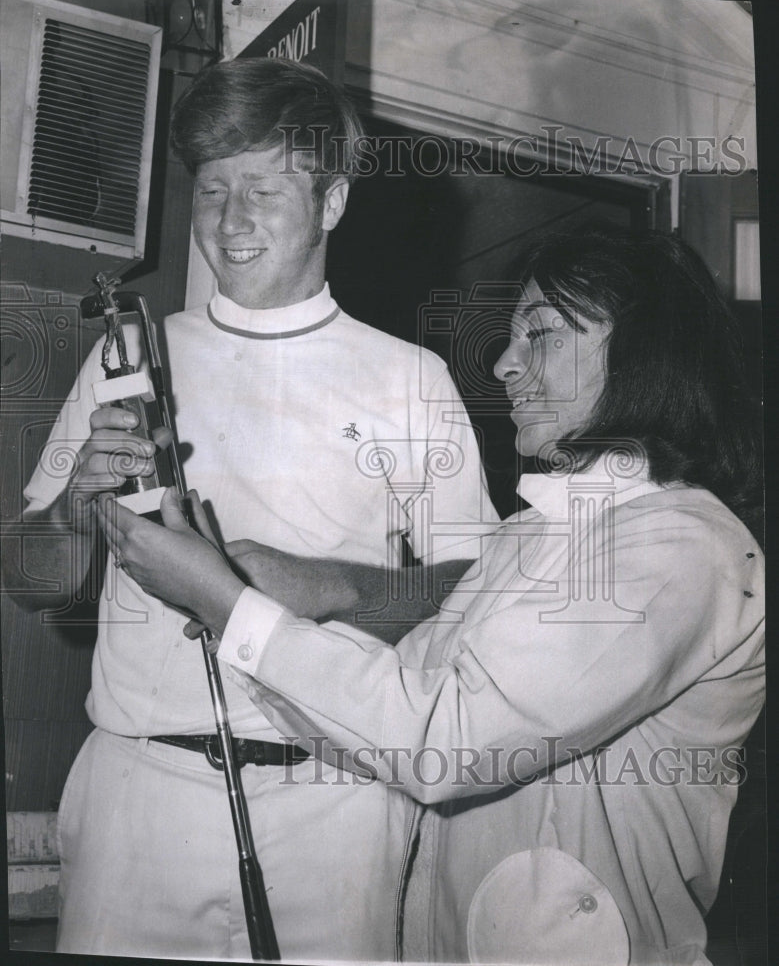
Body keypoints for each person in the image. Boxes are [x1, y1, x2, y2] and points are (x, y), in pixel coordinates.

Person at [102, 226, 764, 965]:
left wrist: (230, 605)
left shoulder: (681, 546)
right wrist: (238, 598)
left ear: (648, 348)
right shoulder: (530, 536)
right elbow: (386, 718)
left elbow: (445, 742)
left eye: (539, 334)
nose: (505, 363)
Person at [6, 57, 497, 960]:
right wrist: (73, 508)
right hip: (138, 799)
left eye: (263, 189)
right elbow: (34, 586)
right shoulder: (128, 360)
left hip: (337, 807)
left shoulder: (409, 380)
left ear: (333, 202)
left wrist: (326, 585)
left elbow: (477, 597)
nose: (229, 222)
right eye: (212, 190)